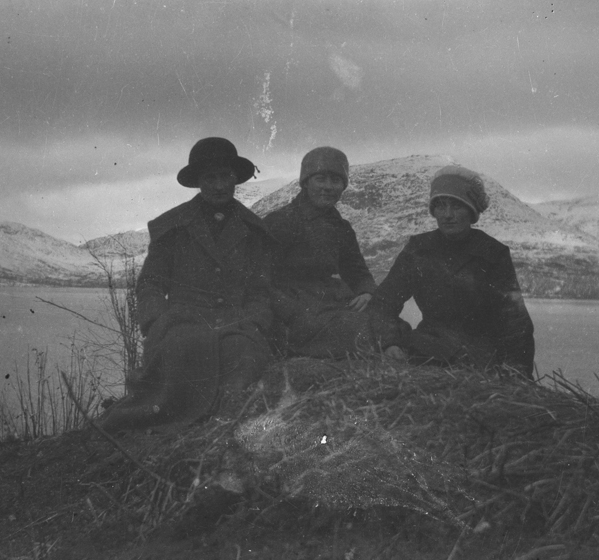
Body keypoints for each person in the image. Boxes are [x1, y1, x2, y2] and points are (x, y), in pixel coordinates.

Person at [98, 137, 274, 431]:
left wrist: (255, 322)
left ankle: (218, 425)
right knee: (182, 353)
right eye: (210, 178)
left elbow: (260, 290)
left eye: (225, 176)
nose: (219, 186)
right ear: (198, 182)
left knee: (244, 358)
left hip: (236, 322)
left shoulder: (255, 231)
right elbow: (151, 283)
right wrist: (157, 322)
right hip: (182, 322)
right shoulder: (172, 227)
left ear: (235, 179)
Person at [371, 165, 536, 378]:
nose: (448, 215)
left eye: (457, 206)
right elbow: (384, 301)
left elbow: (516, 323)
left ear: (471, 211)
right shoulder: (418, 249)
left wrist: (519, 375)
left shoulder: (493, 253)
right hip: (427, 350)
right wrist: (389, 342)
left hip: (481, 358)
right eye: (440, 206)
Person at [263, 147, 393, 358]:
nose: (328, 187)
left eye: (335, 181)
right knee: (356, 329)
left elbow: (357, 271)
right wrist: (291, 311)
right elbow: (262, 279)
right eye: (320, 179)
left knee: (390, 322)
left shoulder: (341, 227)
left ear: (343, 186)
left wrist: (366, 292)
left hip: (329, 302)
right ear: (306, 182)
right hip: (293, 309)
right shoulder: (280, 222)